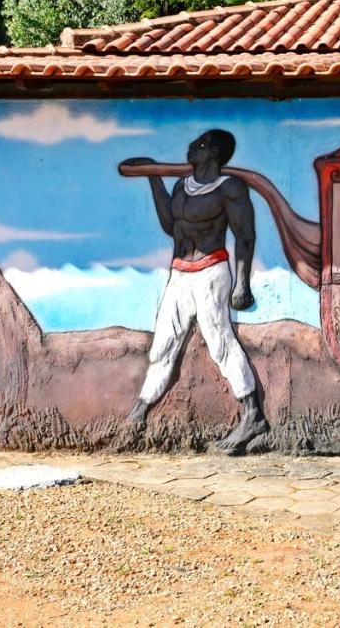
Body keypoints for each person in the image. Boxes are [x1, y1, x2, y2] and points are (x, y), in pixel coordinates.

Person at [121, 129, 268, 453]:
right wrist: (153, 179)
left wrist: (242, 283)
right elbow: (171, 227)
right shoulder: (180, 185)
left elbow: (245, 236)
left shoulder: (230, 188)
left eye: (200, 145)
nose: (191, 147)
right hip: (180, 273)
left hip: (211, 272)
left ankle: (253, 414)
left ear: (214, 153)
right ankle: (140, 412)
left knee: (219, 342)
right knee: (163, 342)